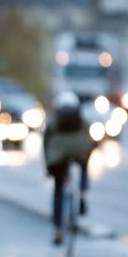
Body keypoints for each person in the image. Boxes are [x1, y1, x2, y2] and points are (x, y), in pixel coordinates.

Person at [43, 91, 94, 246]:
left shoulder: (55, 121)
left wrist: (48, 166)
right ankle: (83, 194)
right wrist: (88, 151)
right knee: (84, 164)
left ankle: (58, 229)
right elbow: (89, 136)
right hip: (78, 150)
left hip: (58, 155)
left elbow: (46, 141)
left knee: (58, 189)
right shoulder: (81, 120)